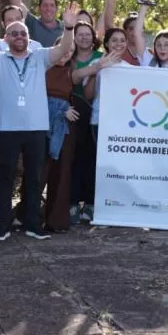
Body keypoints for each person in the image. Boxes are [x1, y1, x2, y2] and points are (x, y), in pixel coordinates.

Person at [0, 3, 79, 241]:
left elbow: (63, 50)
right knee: (5, 178)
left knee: (34, 179)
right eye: (14, 33)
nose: (19, 37)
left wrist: (69, 28)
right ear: (6, 38)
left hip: (36, 128)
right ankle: (3, 226)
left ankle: (32, 225)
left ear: (29, 38)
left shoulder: (40, 56)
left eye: (23, 33)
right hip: (8, 128)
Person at [40, 41, 81, 232]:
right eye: (64, 49)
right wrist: (59, 109)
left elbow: (91, 70)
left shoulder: (71, 72)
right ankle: (27, 216)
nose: (66, 53)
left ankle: (56, 221)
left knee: (62, 172)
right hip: (41, 125)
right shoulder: (41, 67)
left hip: (64, 128)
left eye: (71, 51)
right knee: (39, 172)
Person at [68, 21, 104, 224]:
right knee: (72, 160)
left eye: (87, 34)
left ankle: (90, 203)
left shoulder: (102, 56)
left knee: (92, 160)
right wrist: (95, 69)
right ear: (74, 38)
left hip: (95, 116)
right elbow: (73, 79)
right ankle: (72, 202)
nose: (84, 37)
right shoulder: (69, 57)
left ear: (93, 37)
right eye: (79, 34)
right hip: (71, 114)